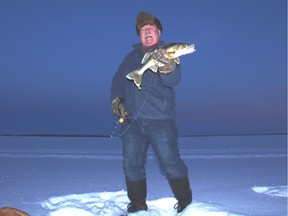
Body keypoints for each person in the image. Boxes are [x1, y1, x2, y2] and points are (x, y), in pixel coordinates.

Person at [110, 12, 192, 214]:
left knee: (171, 163)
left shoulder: (167, 51)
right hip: (131, 122)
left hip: (160, 121)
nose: (147, 31)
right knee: (131, 164)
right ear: (140, 35)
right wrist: (117, 100)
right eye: (143, 30)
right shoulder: (129, 58)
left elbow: (173, 80)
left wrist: (167, 66)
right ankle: (138, 203)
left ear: (159, 32)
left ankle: (186, 202)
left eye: (151, 28)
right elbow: (118, 80)